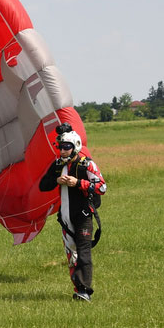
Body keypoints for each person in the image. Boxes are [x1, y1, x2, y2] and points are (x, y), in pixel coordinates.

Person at [38, 125, 107, 302]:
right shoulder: (58, 165)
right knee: (72, 256)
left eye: (66, 147)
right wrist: (56, 180)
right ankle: (78, 289)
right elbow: (42, 186)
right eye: (60, 147)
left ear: (75, 146)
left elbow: (102, 187)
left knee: (84, 253)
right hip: (66, 218)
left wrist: (78, 183)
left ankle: (85, 291)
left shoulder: (87, 164)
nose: (62, 150)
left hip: (83, 216)